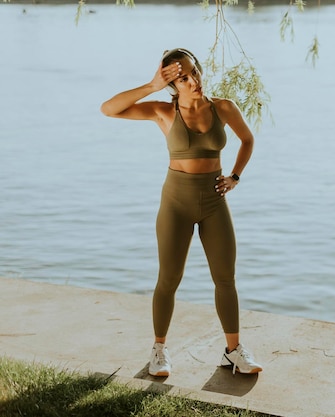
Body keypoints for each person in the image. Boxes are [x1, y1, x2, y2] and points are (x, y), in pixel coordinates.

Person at [100, 48, 262, 376]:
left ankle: (233, 351)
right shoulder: (163, 111)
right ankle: (159, 349)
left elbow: (247, 140)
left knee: (225, 278)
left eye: (194, 72)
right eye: (183, 78)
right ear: (172, 83)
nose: (194, 81)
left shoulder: (223, 107)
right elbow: (109, 109)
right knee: (169, 278)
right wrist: (151, 85)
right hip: (176, 201)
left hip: (215, 201)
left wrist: (235, 177)